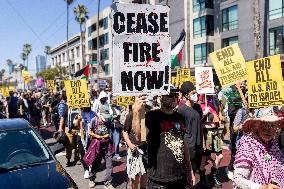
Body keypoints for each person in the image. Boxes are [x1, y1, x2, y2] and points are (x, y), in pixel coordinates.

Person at [132, 92, 195, 188]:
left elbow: (183, 144)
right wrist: (136, 112)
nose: (174, 98)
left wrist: (189, 170)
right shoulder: (151, 116)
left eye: (175, 95)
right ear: (160, 97)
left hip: (179, 176)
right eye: (170, 95)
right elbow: (140, 137)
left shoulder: (180, 117)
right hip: (158, 179)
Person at [233, 111, 284, 188]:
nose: (269, 130)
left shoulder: (273, 144)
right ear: (257, 126)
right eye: (265, 125)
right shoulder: (248, 144)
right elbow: (238, 179)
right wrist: (261, 187)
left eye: (273, 126)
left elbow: (280, 168)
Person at [178, 81, 201, 173]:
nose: (195, 95)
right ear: (186, 95)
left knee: (195, 168)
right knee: (189, 169)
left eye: (196, 93)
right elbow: (178, 128)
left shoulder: (198, 107)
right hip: (188, 144)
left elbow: (199, 122)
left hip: (198, 143)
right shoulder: (181, 110)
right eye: (193, 93)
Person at [86, 114, 115, 189]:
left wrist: (108, 132)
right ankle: (91, 179)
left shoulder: (107, 120)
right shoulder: (93, 120)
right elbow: (89, 132)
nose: (104, 119)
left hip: (107, 145)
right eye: (103, 116)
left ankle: (108, 183)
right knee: (96, 163)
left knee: (109, 164)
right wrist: (97, 136)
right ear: (99, 115)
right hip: (97, 145)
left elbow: (112, 129)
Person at [123, 105, 147, 189]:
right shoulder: (131, 115)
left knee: (145, 174)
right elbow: (125, 132)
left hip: (146, 149)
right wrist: (130, 144)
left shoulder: (149, 116)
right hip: (134, 149)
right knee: (135, 176)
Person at [80, 106, 96, 179]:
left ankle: (91, 166)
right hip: (81, 136)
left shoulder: (94, 113)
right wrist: (79, 119)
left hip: (91, 136)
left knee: (91, 152)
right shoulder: (80, 113)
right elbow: (75, 124)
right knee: (83, 152)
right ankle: (86, 169)